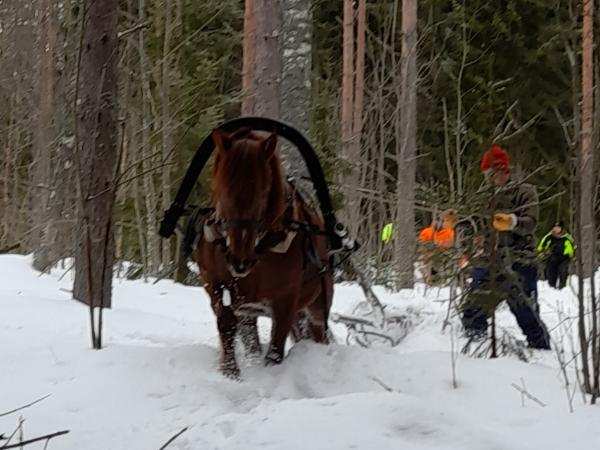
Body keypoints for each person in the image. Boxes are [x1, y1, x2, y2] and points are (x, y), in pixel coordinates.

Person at [461, 145, 551, 350]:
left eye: (492, 173)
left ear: (503, 170)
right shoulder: (484, 196)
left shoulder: (525, 191)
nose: (489, 179)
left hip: (520, 260)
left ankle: (541, 350)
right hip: (490, 259)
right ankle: (476, 347)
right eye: (486, 175)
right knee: (473, 307)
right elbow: (475, 222)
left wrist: (512, 222)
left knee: (526, 311)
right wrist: (459, 224)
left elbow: (531, 222)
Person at [418, 209, 457, 284]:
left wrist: (440, 244)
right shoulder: (427, 232)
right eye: (447, 221)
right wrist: (429, 247)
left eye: (451, 222)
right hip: (428, 258)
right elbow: (421, 246)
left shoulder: (450, 232)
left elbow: (450, 245)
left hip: (442, 258)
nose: (449, 224)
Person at [537, 221, 574, 289]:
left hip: (564, 258)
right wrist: (542, 252)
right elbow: (540, 247)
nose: (556, 229)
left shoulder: (567, 237)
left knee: (563, 271)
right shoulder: (548, 237)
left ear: (562, 228)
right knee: (551, 272)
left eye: (558, 228)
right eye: (555, 228)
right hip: (552, 258)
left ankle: (562, 288)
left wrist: (571, 255)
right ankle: (551, 287)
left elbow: (572, 247)